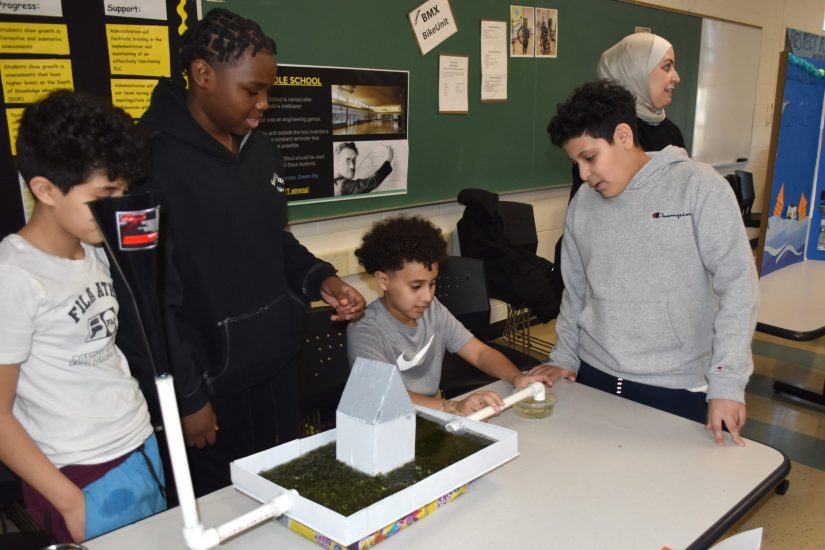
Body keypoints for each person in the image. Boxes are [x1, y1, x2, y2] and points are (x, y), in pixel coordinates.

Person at [130, 8, 366, 497]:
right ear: (202, 74)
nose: (263, 104)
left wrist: (322, 279)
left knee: (280, 495)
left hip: (275, 368)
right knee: (223, 511)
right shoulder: (146, 160)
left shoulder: (261, 149)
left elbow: (272, 238)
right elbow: (147, 298)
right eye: (251, 90)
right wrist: (187, 397)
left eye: (269, 91)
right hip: (210, 389)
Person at [544, 80, 758, 446]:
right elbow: (575, 290)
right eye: (575, 161)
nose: (582, 173)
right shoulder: (583, 204)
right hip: (595, 374)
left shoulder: (698, 186)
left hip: (678, 386)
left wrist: (727, 380)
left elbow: (739, 286)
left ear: (624, 136)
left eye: (589, 157)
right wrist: (564, 355)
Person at [0, 91, 165, 543]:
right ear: (45, 189)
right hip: (80, 472)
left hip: (137, 443)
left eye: (123, 191)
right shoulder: (14, 275)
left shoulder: (95, 247)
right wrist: (69, 499)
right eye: (104, 194)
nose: (118, 204)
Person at [347, 216, 555, 415]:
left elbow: (479, 353)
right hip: (384, 424)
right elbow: (387, 397)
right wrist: (453, 407)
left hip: (427, 416)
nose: (427, 296)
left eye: (432, 283)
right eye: (416, 286)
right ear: (383, 281)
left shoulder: (432, 310)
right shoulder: (365, 330)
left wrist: (516, 377)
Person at [555, 32, 687, 291]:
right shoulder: (604, 134)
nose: (676, 77)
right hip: (617, 274)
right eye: (666, 67)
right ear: (635, 70)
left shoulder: (671, 132)